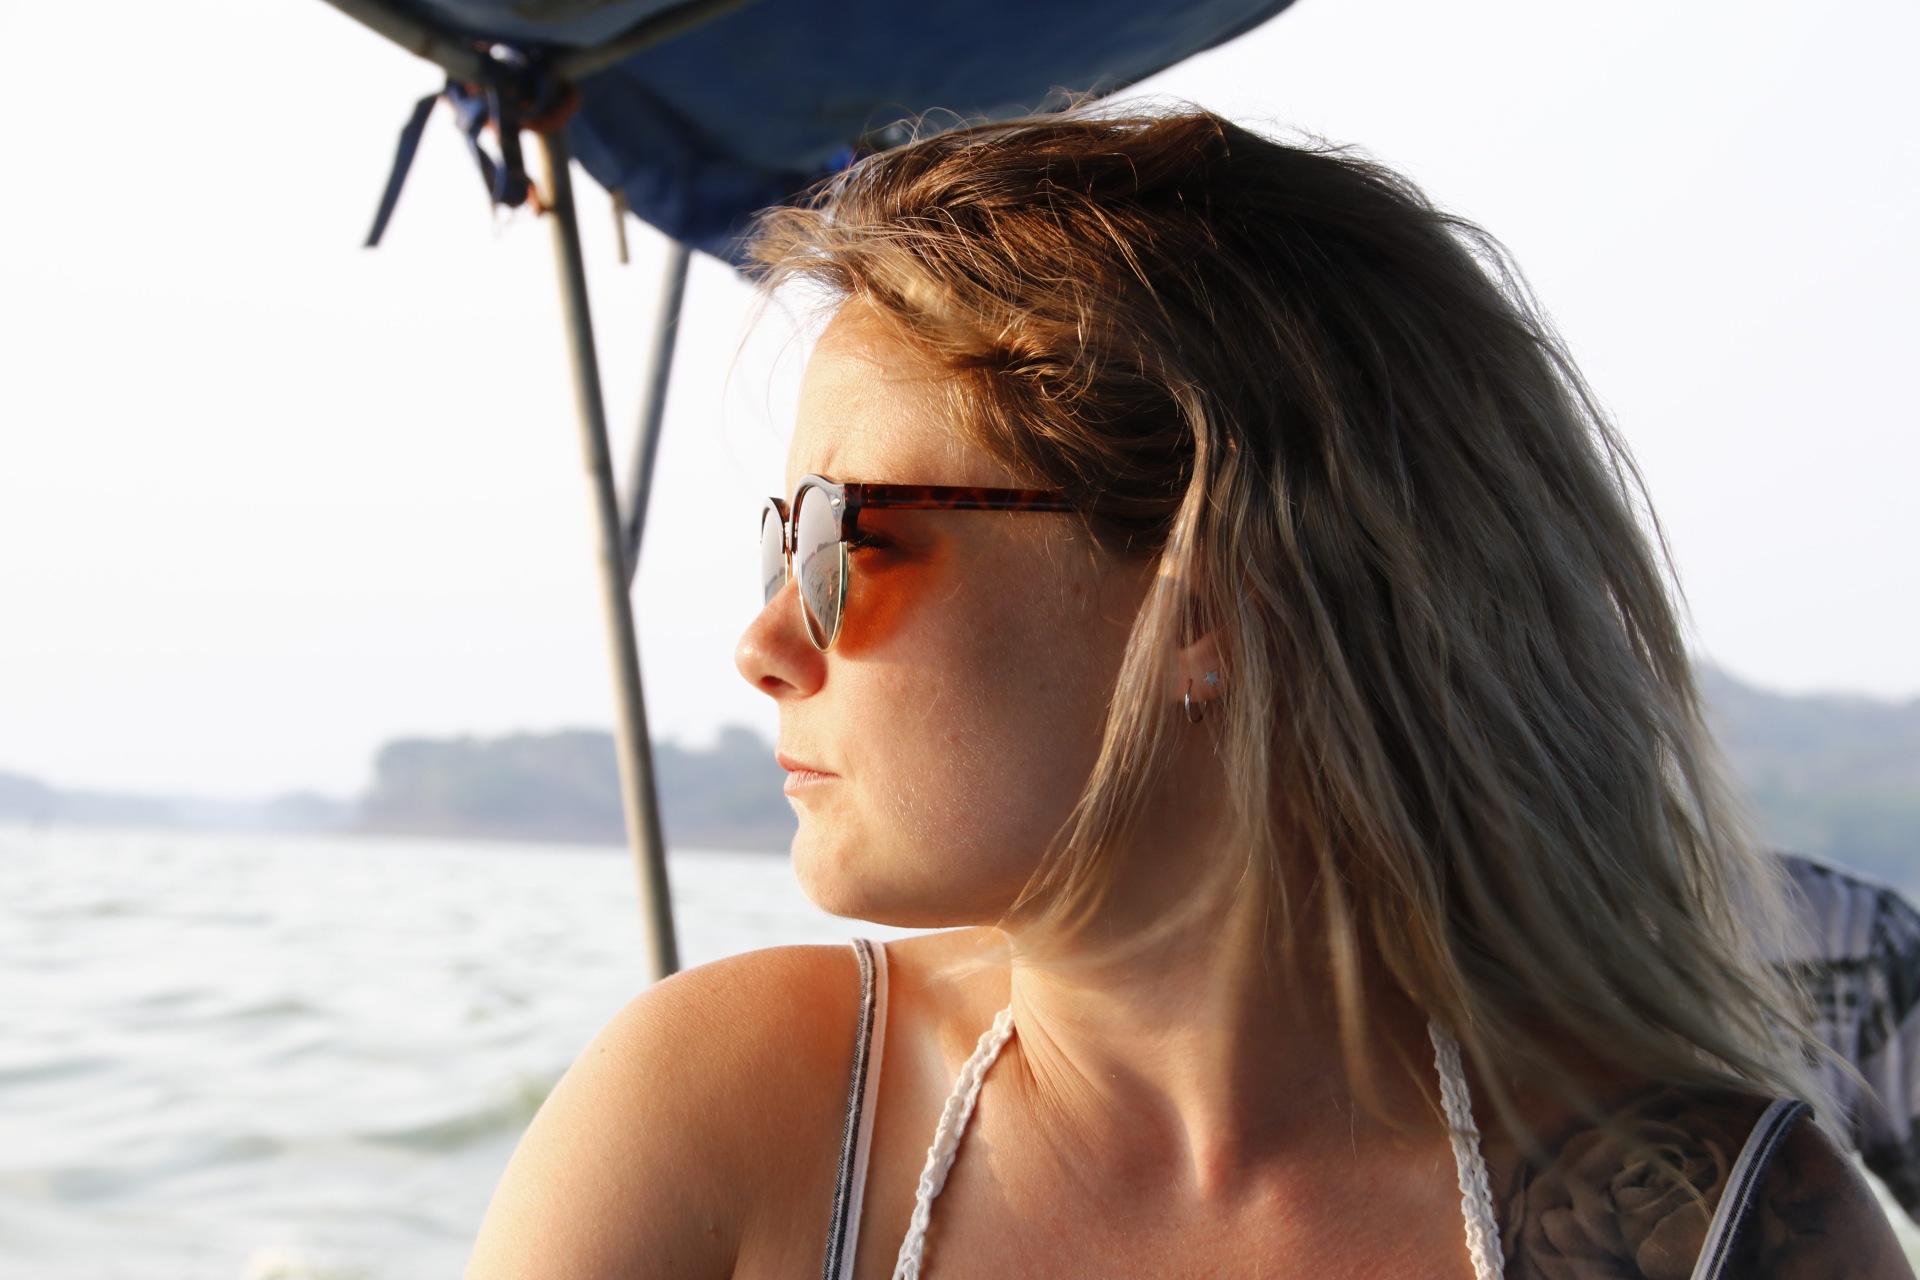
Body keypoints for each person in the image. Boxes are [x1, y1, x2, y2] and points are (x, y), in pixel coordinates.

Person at [466, 108, 1911, 1279]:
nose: (767, 640)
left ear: (1208, 604)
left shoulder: (1721, 1229)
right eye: (782, 538)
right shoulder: (728, 1113)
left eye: (850, 536)